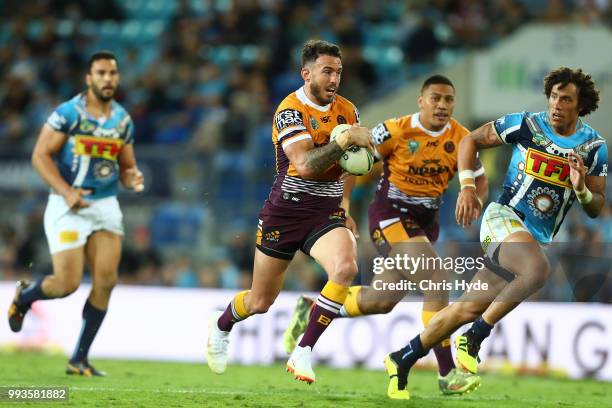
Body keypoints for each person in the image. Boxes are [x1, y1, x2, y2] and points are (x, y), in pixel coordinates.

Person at [384, 67, 607, 399]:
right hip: (504, 218)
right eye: (554, 96)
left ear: (580, 105)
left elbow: (596, 205)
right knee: (537, 270)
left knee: (467, 308)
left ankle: (403, 358)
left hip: (533, 236)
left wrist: (581, 190)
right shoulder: (526, 124)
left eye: (566, 99)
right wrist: (468, 187)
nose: (557, 104)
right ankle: (474, 338)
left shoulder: (593, 147)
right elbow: (469, 139)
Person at [283, 75, 487, 397]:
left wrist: (470, 194)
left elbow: (477, 177)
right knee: (436, 278)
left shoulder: (463, 140)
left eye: (448, 100)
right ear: (421, 101)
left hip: (424, 225)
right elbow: (351, 161)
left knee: (381, 301)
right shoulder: (395, 130)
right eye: (435, 98)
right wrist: (345, 206)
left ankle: (313, 308)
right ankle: (447, 373)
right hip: (389, 216)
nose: (442, 105)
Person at [206, 39, 373, 384]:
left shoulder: (349, 111)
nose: (334, 79)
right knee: (259, 301)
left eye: (338, 72)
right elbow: (306, 165)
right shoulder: (289, 111)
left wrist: (344, 205)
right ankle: (221, 325)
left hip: (325, 213)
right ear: (306, 73)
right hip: (285, 212)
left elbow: (353, 167)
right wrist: (343, 141)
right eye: (327, 71)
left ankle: (303, 352)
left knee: (345, 268)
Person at [8, 51, 144, 376]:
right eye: (101, 73)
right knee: (66, 283)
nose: (107, 79)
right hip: (67, 205)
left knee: (106, 280)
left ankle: (79, 358)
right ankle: (25, 297)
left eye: (112, 73)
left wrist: (132, 177)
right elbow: (40, 155)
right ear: (89, 78)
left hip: (105, 206)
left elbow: (126, 166)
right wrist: (67, 191)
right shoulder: (68, 113)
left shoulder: (122, 120)